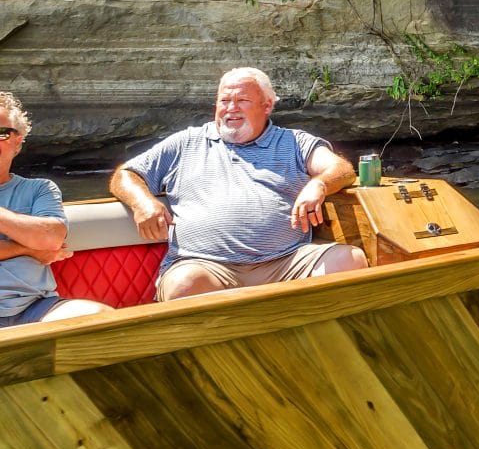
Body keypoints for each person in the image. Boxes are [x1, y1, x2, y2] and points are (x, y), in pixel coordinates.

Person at [110, 68, 367, 301]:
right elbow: (125, 174)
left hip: (287, 263)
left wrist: (318, 185)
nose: (231, 108)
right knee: (184, 284)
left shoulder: (295, 142)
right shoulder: (185, 143)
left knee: (349, 261)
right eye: (224, 101)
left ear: (267, 106)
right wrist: (143, 203)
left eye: (242, 100)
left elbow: (342, 169)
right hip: (207, 267)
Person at [0, 92, 112, 326]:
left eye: (1, 133)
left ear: (17, 141)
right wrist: (28, 249)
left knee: (103, 320)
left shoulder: (40, 189)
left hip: (34, 308)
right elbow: (42, 245)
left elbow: (51, 238)